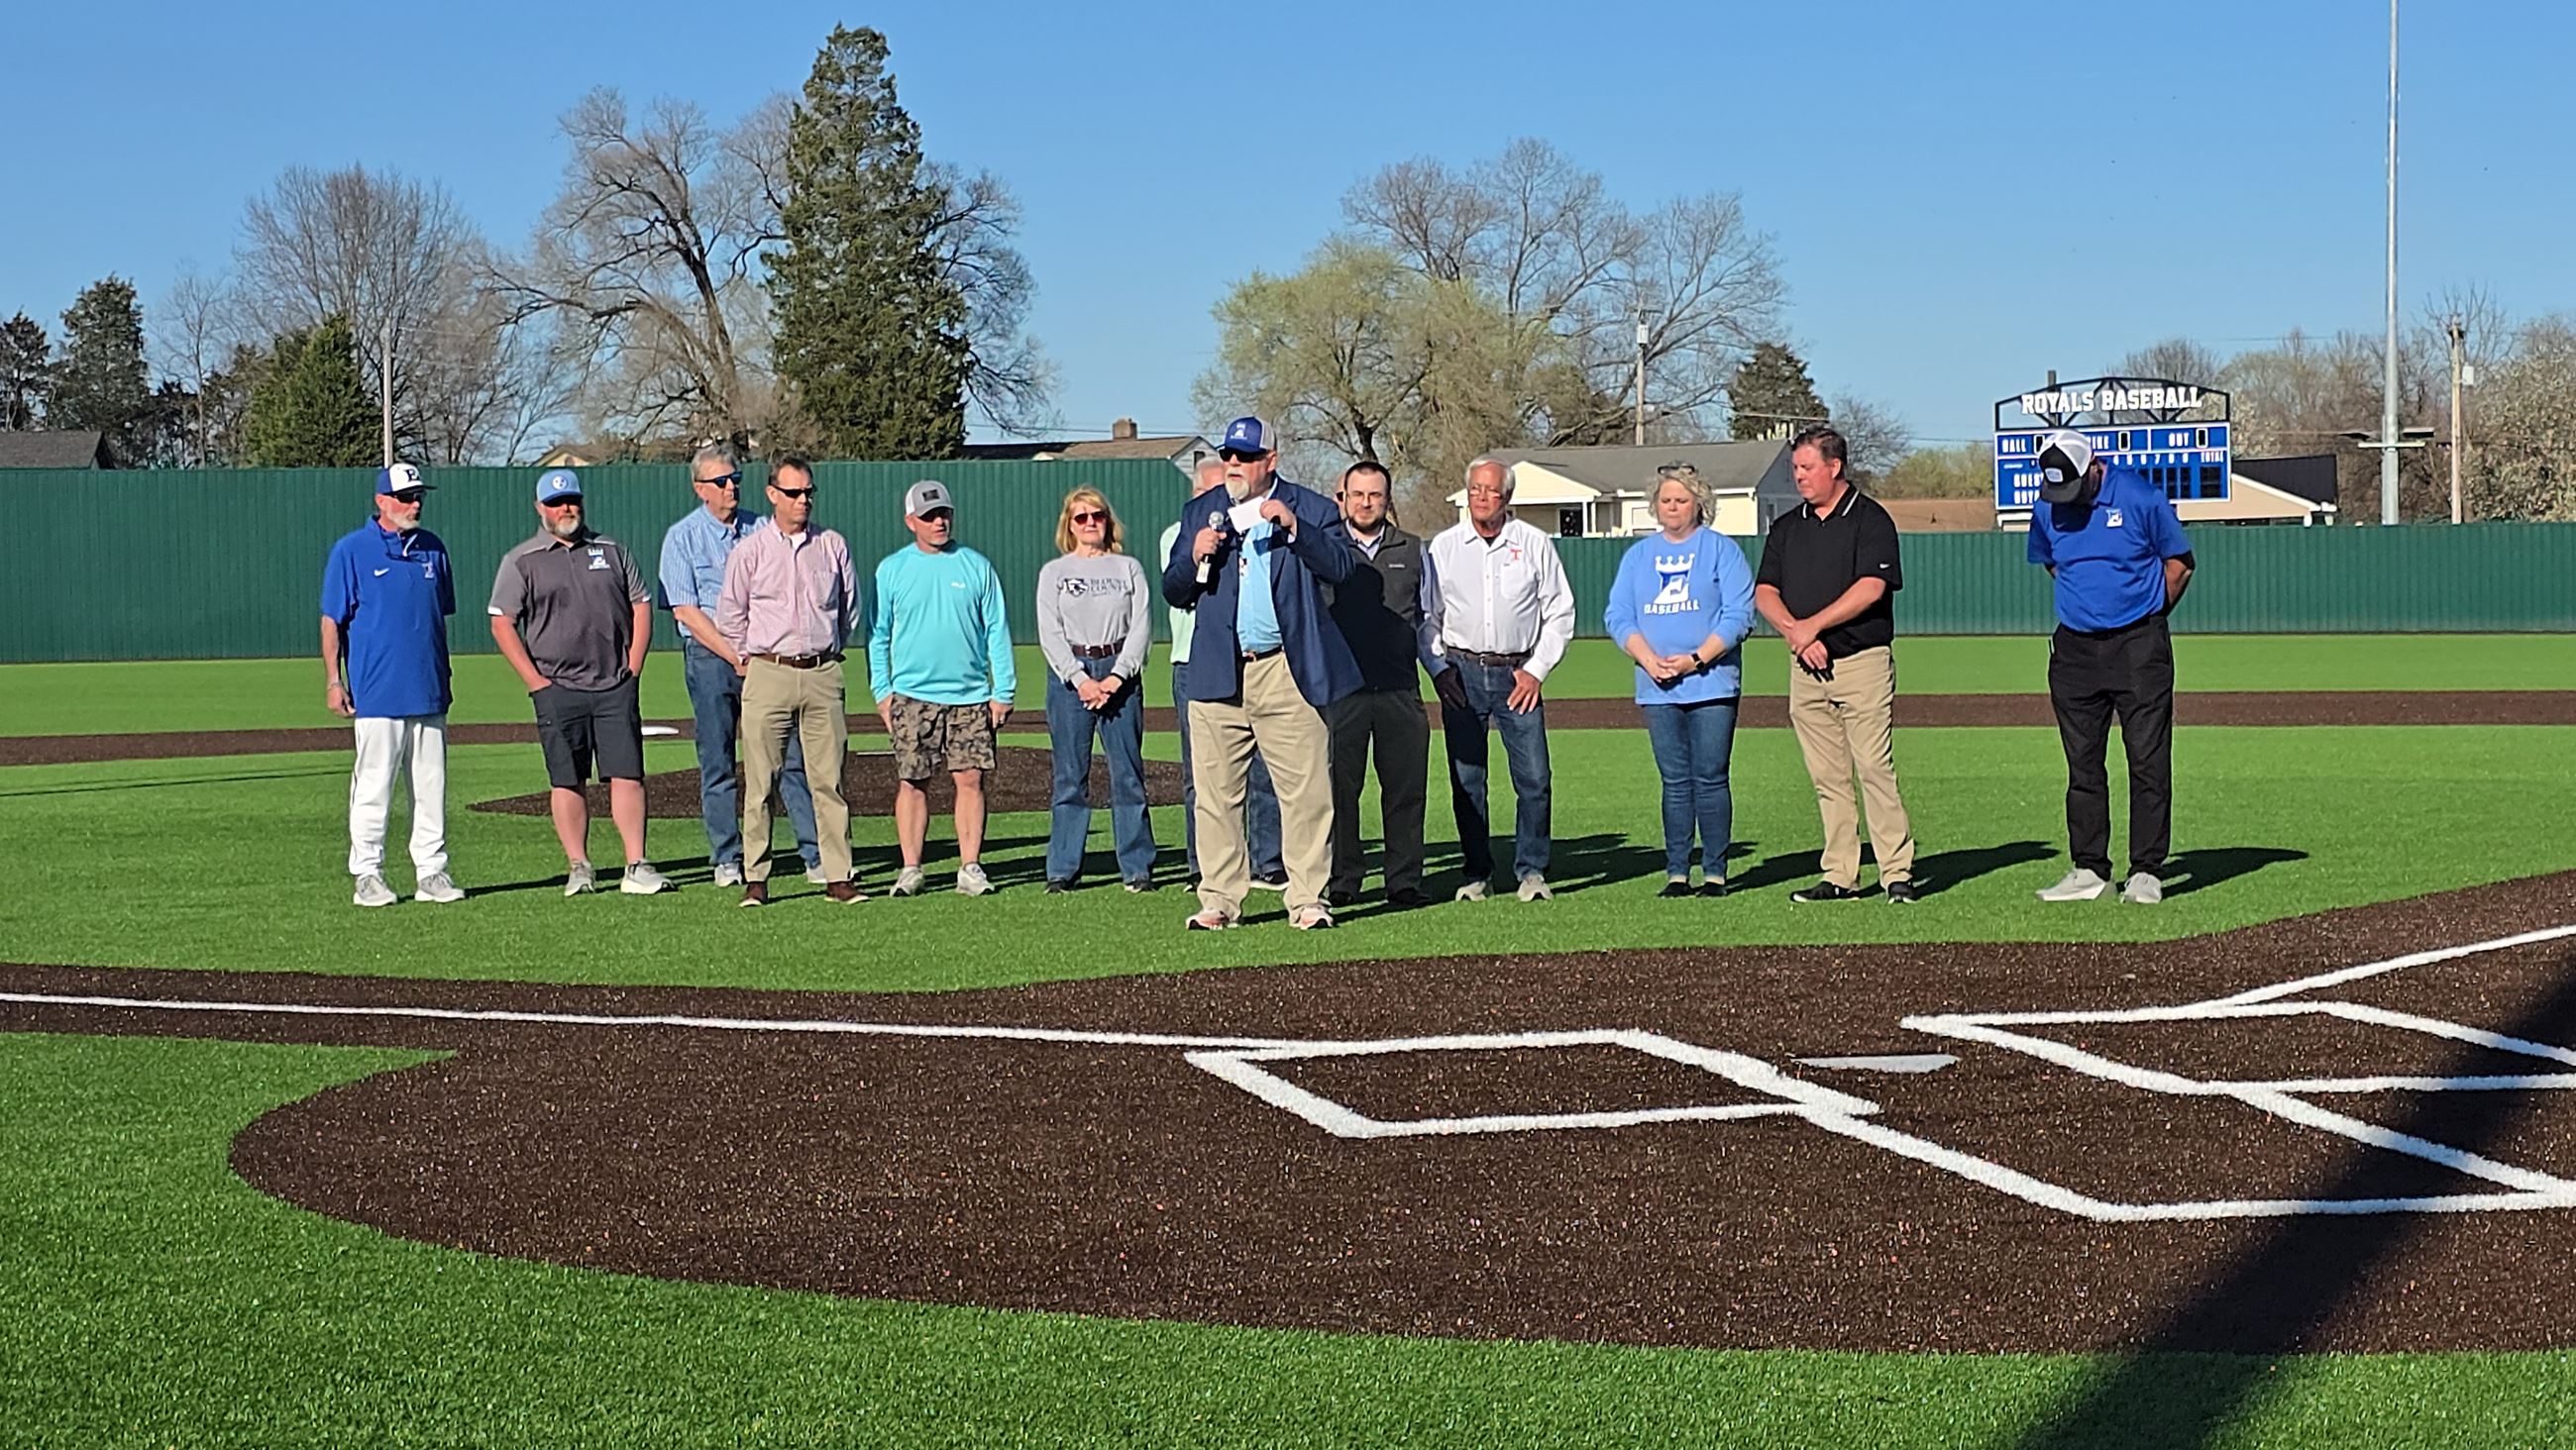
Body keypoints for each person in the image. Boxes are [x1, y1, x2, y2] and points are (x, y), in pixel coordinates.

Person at [1163, 414, 1358, 930]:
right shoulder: (1201, 512)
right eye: (1228, 455)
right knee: (1216, 794)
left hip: (1286, 669)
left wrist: (1295, 530)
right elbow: (1175, 590)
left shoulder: (1310, 508)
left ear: (1270, 461)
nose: (1234, 465)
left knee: (1306, 792)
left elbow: (1342, 568)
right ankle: (1219, 901)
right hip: (1218, 670)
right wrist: (1196, 555)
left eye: (1246, 457)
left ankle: (1308, 898)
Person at [2025, 429, 2196, 904]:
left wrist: (2147, 612)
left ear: (2095, 465)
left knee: (2147, 761)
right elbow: (2052, 563)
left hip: (2139, 648)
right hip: (2075, 652)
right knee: (2082, 766)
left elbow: (2179, 564)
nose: (2067, 499)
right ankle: (2089, 869)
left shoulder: (2141, 498)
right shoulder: (2047, 506)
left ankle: (2145, 870)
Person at [1754, 426, 1919, 905]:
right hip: (1805, 670)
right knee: (1827, 777)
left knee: (1873, 768)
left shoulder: (1870, 520)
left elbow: (1873, 587)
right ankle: (1840, 875)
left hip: (1861, 662)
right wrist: (1796, 633)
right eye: (1795, 468)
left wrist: (1814, 627)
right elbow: (1766, 590)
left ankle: (1896, 873)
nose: (1799, 476)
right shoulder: (1787, 527)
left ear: (1835, 466)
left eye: (1807, 468)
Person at [488, 467, 670, 896]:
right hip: (557, 687)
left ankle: (636, 864)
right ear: (540, 509)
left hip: (613, 683)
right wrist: (535, 682)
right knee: (567, 778)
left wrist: (634, 666)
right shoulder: (522, 560)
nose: (565, 508)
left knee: (627, 775)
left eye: (571, 500)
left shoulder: (611, 550)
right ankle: (579, 866)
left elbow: (641, 604)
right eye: (555, 503)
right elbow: (501, 621)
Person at [657, 442, 824, 888]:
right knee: (718, 759)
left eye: (735, 479)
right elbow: (685, 609)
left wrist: (760, 652)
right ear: (700, 489)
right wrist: (735, 653)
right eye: (721, 482)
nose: (731, 487)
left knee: (788, 758)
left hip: (767, 659)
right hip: (712, 658)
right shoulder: (682, 537)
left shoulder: (761, 529)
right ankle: (728, 857)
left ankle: (814, 853)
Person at [714, 456, 863, 907]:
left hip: (822, 672)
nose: (804, 501)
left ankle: (838, 875)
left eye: (809, 492)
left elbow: (849, 610)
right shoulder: (750, 552)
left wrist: (828, 652)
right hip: (768, 671)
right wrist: (751, 659)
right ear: (772, 494)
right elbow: (730, 615)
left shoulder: (833, 545)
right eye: (794, 493)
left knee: (829, 781)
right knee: (761, 783)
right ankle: (756, 878)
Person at [1426, 457, 1576, 902]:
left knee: (1534, 778)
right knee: (1467, 781)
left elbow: (1560, 613)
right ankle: (1477, 873)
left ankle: (1531, 871)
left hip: (1518, 674)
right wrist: (1438, 669)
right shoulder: (1444, 547)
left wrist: (1536, 671)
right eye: (1475, 489)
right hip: (1461, 674)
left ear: (1507, 496)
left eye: (1491, 490)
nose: (1482, 498)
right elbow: (1427, 618)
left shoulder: (1533, 543)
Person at [1604, 465, 1757, 897]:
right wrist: (1647, 658)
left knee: (1709, 777)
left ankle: (1714, 871)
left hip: (1711, 683)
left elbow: (1739, 614)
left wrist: (1696, 659)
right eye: (1666, 500)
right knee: (1674, 781)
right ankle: (1676, 871)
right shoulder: (1638, 556)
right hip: (1657, 686)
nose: (1673, 507)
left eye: (1682, 500)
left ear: (1699, 505)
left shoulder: (1720, 551)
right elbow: (1618, 614)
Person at [320, 463, 461, 907]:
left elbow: (440, 615)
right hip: (377, 692)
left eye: (418, 496)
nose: (414, 503)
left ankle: (432, 872)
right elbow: (332, 621)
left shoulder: (433, 549)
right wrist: (333, 679)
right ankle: (367, 874)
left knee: (431, 785)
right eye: (405, 497)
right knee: (374, 785)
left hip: (429, 688)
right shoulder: (351, 550)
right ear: (381, 501)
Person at [870, 480, 1015, 898]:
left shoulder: (976, 566)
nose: (939, 522)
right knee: (913, 781)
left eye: (944, 513)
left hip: (969, 696)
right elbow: (878, 636)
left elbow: (997, 632)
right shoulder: (892, 569)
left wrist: (1002, 691)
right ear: (910, 520)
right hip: (912, 696)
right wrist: (883, 691)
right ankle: (911, 868)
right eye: (930, 515)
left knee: (970, 780)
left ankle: (970, 867)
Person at [1158, 459, 1285, 886]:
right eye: (1210, 492)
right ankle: (1205, 867)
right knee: (1205, 777)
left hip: (1253, 657)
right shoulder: (1180, 536)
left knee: (1265, 770)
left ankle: (1268, 861)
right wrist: (1198, 550)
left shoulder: (1250, 531)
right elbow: (1179, 591)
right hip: (1193, 661)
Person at [1324, 459, 1438, 908]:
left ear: (1388, 500)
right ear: (1343, 499)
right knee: (1338, 792)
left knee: (1405, 791)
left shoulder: (1412, 549)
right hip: (1342, 693)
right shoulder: (1327, 549)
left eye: (1375, 495)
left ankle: (1404, 879)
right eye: (1358, 494)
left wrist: (1438, 674)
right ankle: (1343, 878)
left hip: (1398, 690)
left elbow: (1429, 620)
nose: (1366, 503)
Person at [1036, 486, 1156, 891]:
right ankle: (1063, 869)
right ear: (1068, 525)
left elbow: (1141, 627)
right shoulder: (1055, 572)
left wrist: (1117, 677)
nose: (1090, 524)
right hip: (1072, 676)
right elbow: (1049, 632)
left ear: (1108, 520)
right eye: (1081, 517)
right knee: (1070, 776)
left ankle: (1137, 868)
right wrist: (1080, 679)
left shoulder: (1128, 567)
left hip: (1118, 672)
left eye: (1097, 516)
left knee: (1127, 775)